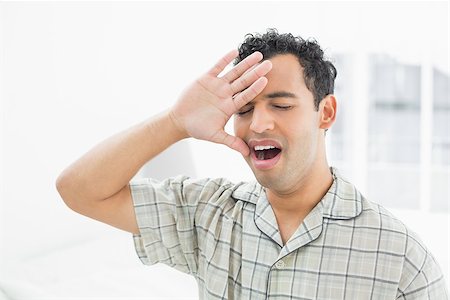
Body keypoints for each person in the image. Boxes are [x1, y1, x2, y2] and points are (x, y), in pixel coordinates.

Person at [56, 29, 448, 299]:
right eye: (244, 110)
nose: (258, 123)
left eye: (280, 105)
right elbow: (79, 190)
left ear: (325, 113)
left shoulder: (401, 260)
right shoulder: (208, 212)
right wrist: (175, 123)